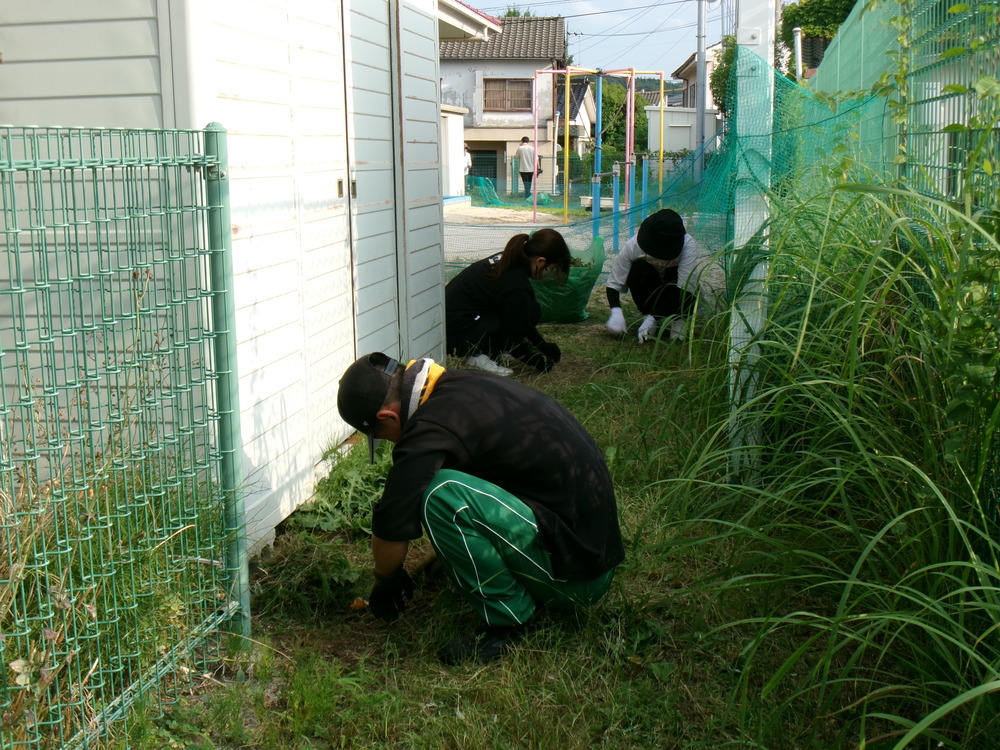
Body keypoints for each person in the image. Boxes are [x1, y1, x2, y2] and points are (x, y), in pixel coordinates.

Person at [336, 352, 625, 664]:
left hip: (576, 580)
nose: (390, 443)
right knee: (452, 484)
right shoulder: (461, 386)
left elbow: (391, 526)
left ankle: (510, 621)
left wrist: (386, 578)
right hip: (592, 550)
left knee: (441, 495)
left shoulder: (428, 427)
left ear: (387, 418)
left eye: (381, 437)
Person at [445, 227, 568, 376]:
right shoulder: (515, 284)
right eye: (553, 268)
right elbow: (513, 331)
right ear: (541, 261)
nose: (551, 273)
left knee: (531, 308)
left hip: (460, 320)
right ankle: (475, 356)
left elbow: (522, 318)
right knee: (506, 318)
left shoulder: (511, 260)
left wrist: (543, 346)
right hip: (457, 333)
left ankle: (492, 350)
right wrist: (535, 360)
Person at [605, 208, 723, 343]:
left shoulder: (687, 245)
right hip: (651, 290)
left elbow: (686, 289)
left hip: (676, 293)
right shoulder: (633, 245)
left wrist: (653, 317)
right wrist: (616, 312)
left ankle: (678, 318)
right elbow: (614, 281)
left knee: (685, 282)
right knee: (638, 268)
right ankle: (649, 315)